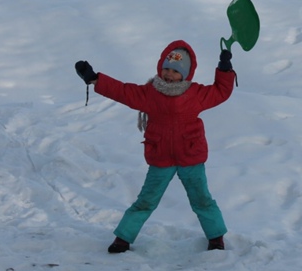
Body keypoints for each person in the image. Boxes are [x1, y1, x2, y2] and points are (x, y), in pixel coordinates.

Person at [75, 40, 235, 253]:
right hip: (161, 157)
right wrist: (95, 79)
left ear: (186, 74)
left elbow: (221, 92)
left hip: (190, 156)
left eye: (175, 71)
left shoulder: (195, 94)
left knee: (202, 200)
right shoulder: (150, 93)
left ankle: (216, 237)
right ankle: (123, 237)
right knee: (146, 200)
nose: (169, 74)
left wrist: (224, 69)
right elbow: (123, 91)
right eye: (166, 69)